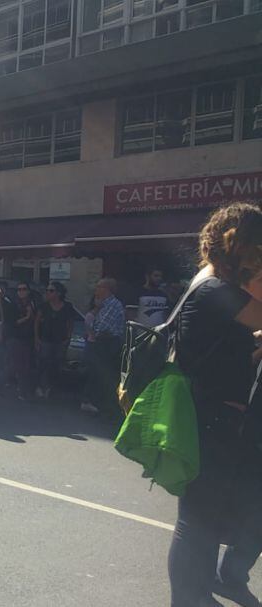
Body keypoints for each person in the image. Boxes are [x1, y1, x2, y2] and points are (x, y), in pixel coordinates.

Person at [165, 203, 262, 606]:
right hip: (209, 422)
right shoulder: (216, 291)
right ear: (238, 245)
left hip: (216, 421)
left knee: (202, 522)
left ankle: (196, 595)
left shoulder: (217, 288)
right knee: (196, 522)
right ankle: (190, 599)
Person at [82, 278, 125, 416]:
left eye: (99, 287)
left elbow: (102, 328)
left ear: (107, 290)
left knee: (101, 373)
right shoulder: (101, 305)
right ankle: (90, 401)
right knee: (93, 372)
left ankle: (100, 403)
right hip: (98, 343)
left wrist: (92, 332)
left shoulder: (112, 305)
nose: (96, 290)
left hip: (106, 344)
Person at [34, 281, 75, 400]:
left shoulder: (67, 306)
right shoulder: (44, 306)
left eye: (51, 291)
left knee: (57, 364)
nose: (48, 293)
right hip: (46, 339)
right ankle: (41, 387)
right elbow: (37, 322)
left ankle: (52, 389)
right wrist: (37, 338)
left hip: (60, 340)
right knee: (44, 363)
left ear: (59, 293)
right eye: (47, 291)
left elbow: (70, 323)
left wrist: (68, 338)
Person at [6, 281, 37, 399]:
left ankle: (23, 391)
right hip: (15, 337)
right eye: (19, 289)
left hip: (28, 338)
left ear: (28, 291)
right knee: (13, 365)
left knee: (26, 366)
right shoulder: (13, 304)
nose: (21, 292)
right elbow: (12, 323)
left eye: (24, 289)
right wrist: (26, 317)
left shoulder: (32, 303)